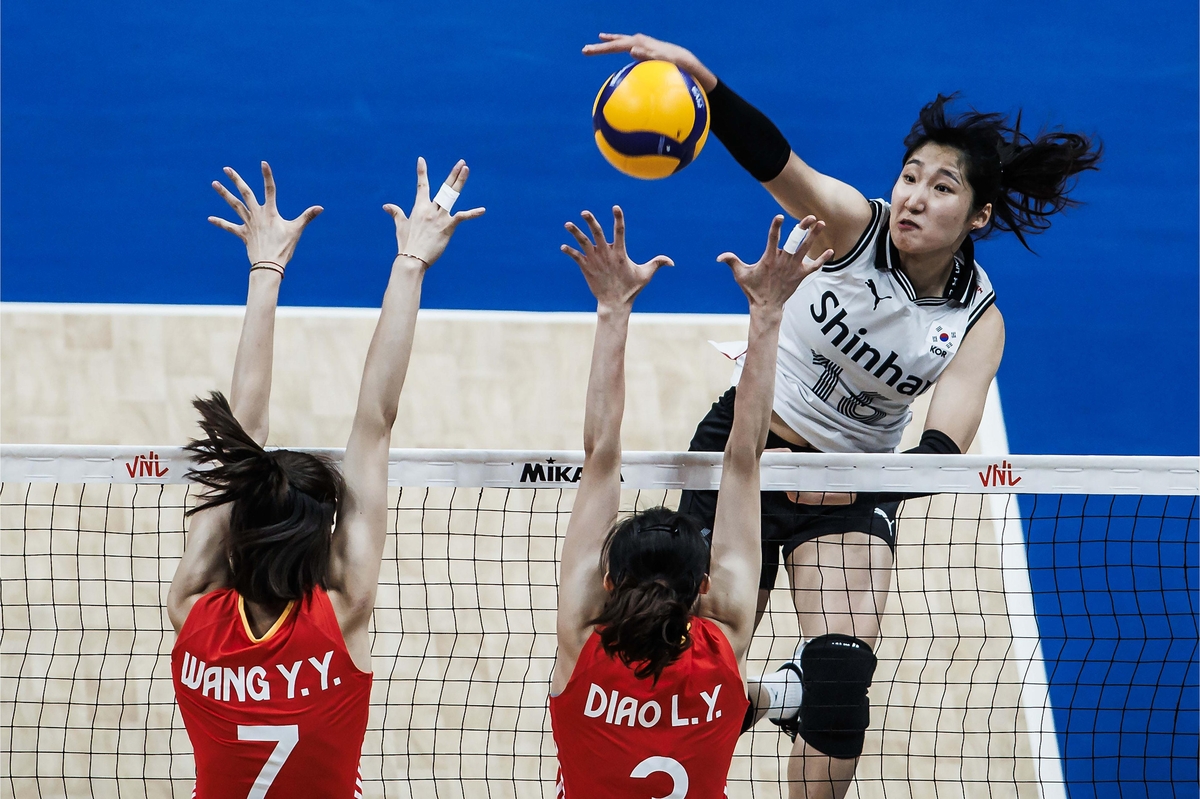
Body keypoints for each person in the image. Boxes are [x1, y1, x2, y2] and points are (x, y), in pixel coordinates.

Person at [584, 32, 1101, 799]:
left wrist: (858, 483)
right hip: (745, 455)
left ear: (980, 215)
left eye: (943, 188)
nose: (917, 197)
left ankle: (797, 697)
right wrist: (704, 81)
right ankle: (762, 697)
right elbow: (775, 161)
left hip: (856, 489)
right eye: (911, 176)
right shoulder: (854, 225)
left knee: (839, 697)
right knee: (681, 662)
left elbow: (941, 449)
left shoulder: (977, 321)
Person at [166, 158, 483, 798]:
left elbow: (243, 426)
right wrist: (410, 263)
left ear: (235, 532)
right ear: (324, 541)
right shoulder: (341, 613)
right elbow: (376, 419)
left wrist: (265, 268)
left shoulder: (193, 609)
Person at [550, 205, 833, 798]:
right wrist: (767, 313)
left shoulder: (582, 639)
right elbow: (746, 458)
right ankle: (779, 695)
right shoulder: (726, 633)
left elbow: (601, 453)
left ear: (606, 578)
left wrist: (613, 307)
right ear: (702, 587)